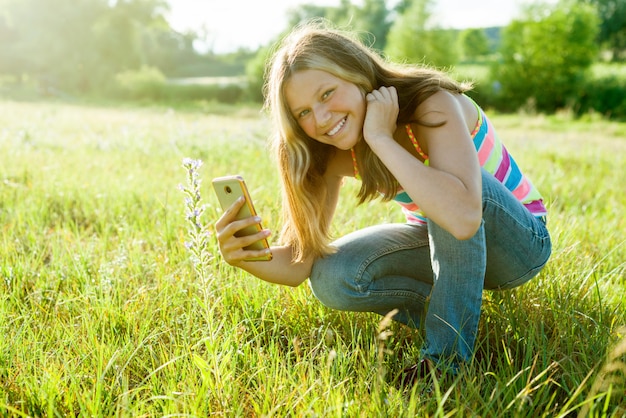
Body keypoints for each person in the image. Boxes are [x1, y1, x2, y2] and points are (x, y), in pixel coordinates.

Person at [215, 21, 552, 381]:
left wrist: (379, 136)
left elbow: (464, 217)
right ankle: (457, 321)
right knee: (332, 277)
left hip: (519, 245)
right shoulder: (323, 151)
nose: (322, 119)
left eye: (327, 93)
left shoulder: (431, 102)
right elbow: (300, 262)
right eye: (303, 113)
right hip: (441, 241)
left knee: (448, 194)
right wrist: (249, 257)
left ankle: (444, 363)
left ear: (358, 73)